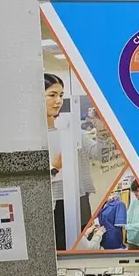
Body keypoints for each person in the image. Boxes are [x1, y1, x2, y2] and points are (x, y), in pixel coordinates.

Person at [47, 74, 95, 250]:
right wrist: (54, 167)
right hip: (52, 201)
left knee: (82, 243)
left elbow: (96, 151)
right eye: (52, 95)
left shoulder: (72, 130)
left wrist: (104, 128)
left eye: (61, 95)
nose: (58, 100)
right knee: (59, 247)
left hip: (78, 197)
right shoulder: (35, 138)